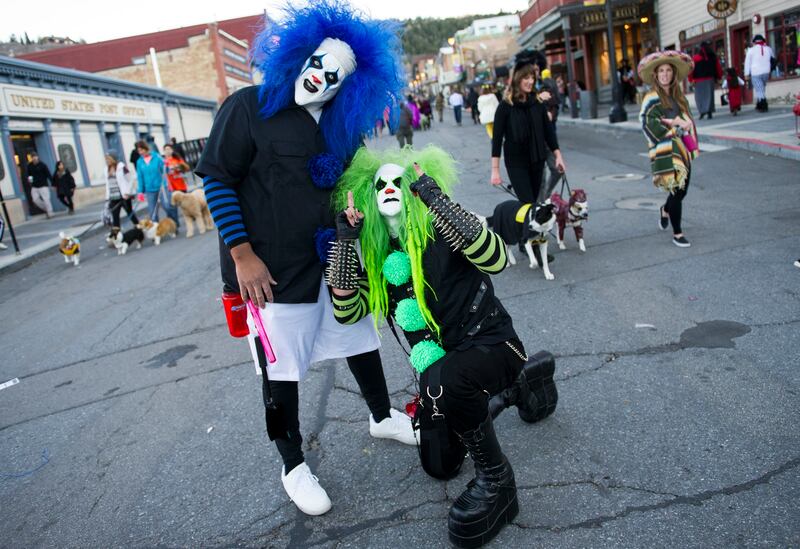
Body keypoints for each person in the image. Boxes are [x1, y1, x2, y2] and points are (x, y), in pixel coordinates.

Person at [195, 0, 416, 517]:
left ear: (349, 87)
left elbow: (353, 188)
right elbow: (218, 178)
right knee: (282, 367)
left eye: (335, 76)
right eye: (317, 64)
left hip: (332, 260)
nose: (321, 78)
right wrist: (242, 255)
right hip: (269, 273)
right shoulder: (250, 106)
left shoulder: (340, 130)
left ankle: (382, 416)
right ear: (299, 56)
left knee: (359, 335)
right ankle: (292, 462)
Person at [330, 145, 540, 548]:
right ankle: (517, 388)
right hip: (446, 372)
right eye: (381, 185)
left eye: (399, 183)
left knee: (442, 382)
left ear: (412, 191)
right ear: (371, 199)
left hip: (496, 345)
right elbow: (346, 311)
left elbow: (497, 258)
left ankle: (498, 483)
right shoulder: (379, 261)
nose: (390, 189)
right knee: (439, 465)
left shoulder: (440, 229)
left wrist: (439, 202)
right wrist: (345, 241)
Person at [638, 50, 697, 248]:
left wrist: (686, 123)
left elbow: (687, 118)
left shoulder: (679, 97)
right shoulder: (650, 97)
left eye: (668, 70)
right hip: (665, 148)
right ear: (656, 75)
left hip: (682, 148)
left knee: (682, 191)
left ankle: (665, 209)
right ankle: (678, 233)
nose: (665, 74)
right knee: (677, 188)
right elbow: (647, 122)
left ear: (673, 74)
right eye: (661, 71)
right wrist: (674, 123)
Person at [491, 50, 566, 204]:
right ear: (518, 79)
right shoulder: (505, 106)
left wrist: (558, 156)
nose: (530, 81)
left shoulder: (537, 103)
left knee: (535, 204)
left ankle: (533, 227)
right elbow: (497, 139)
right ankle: (527, 227)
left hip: (537, 161)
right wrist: (495, 170)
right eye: (526, 77)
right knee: (528, 204)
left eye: (532, 77)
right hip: (516, 163)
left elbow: (548, 132)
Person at [537, 66, 564, 202]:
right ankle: (540, 208)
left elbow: (554, 110)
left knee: (558, 170)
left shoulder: (549, 91)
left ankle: (546, 196)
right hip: (536, 142)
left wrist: (551, 114)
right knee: (540, 178)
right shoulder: (533, 96)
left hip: (549, 139)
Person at [135, 140, 178, 226]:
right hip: (149, 190)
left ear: (146, 148)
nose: (140, 153)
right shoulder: (139, 162)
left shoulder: (156, 157)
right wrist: (140, 192)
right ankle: (156, 231)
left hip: (161, 187)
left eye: (141, 150)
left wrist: (165, 165)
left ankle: (174, 224)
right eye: (139, 151)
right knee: (152, 212)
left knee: (168, 207)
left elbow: (166, 171)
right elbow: (140, 177)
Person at [689, 41, 722, 120]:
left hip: (698, 80)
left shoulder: (695, 58)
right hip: (709, 79)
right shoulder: (713, 57)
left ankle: (702, 112)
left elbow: (691, 70)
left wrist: (691, 79)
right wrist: (719, 77)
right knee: (709, 97)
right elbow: (718, 68)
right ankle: (709, 112)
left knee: (699, 97)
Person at [105, 153, 139, 228]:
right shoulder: (106, 169)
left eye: (108, 158)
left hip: (123, 196)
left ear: (113, 159)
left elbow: (130, 179)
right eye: (106, 159)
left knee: (130, 213)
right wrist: (107, 197)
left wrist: (127, 192)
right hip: (113, 197)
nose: (106, 160)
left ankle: (139, 228)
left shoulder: (122, 167)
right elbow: (107, 184)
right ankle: (117, 236)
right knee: (115, 217)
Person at [745, 35, 775, 112]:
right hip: (766, 71)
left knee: (759, 89)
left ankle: (763, 104)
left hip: (756, 72)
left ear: (754, 42)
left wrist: (747, 73)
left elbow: (747, 63)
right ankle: (759, 103)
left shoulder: (751, 50)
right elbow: (773, 59)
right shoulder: (768, 49)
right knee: (761, 88)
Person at [27, 152, 54, 218]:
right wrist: (30, 182)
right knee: (35, 200)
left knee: (46, 199)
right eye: (33, 157)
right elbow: (29, 175)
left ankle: (50, 213)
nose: (34, 158)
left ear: (37, 157)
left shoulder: (43, 165)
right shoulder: (29, 166)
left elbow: (48, 174)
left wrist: (52, 184)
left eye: (35, 156)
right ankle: (46, 208)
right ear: (31, 158)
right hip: (34, 186)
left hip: (43, 185)